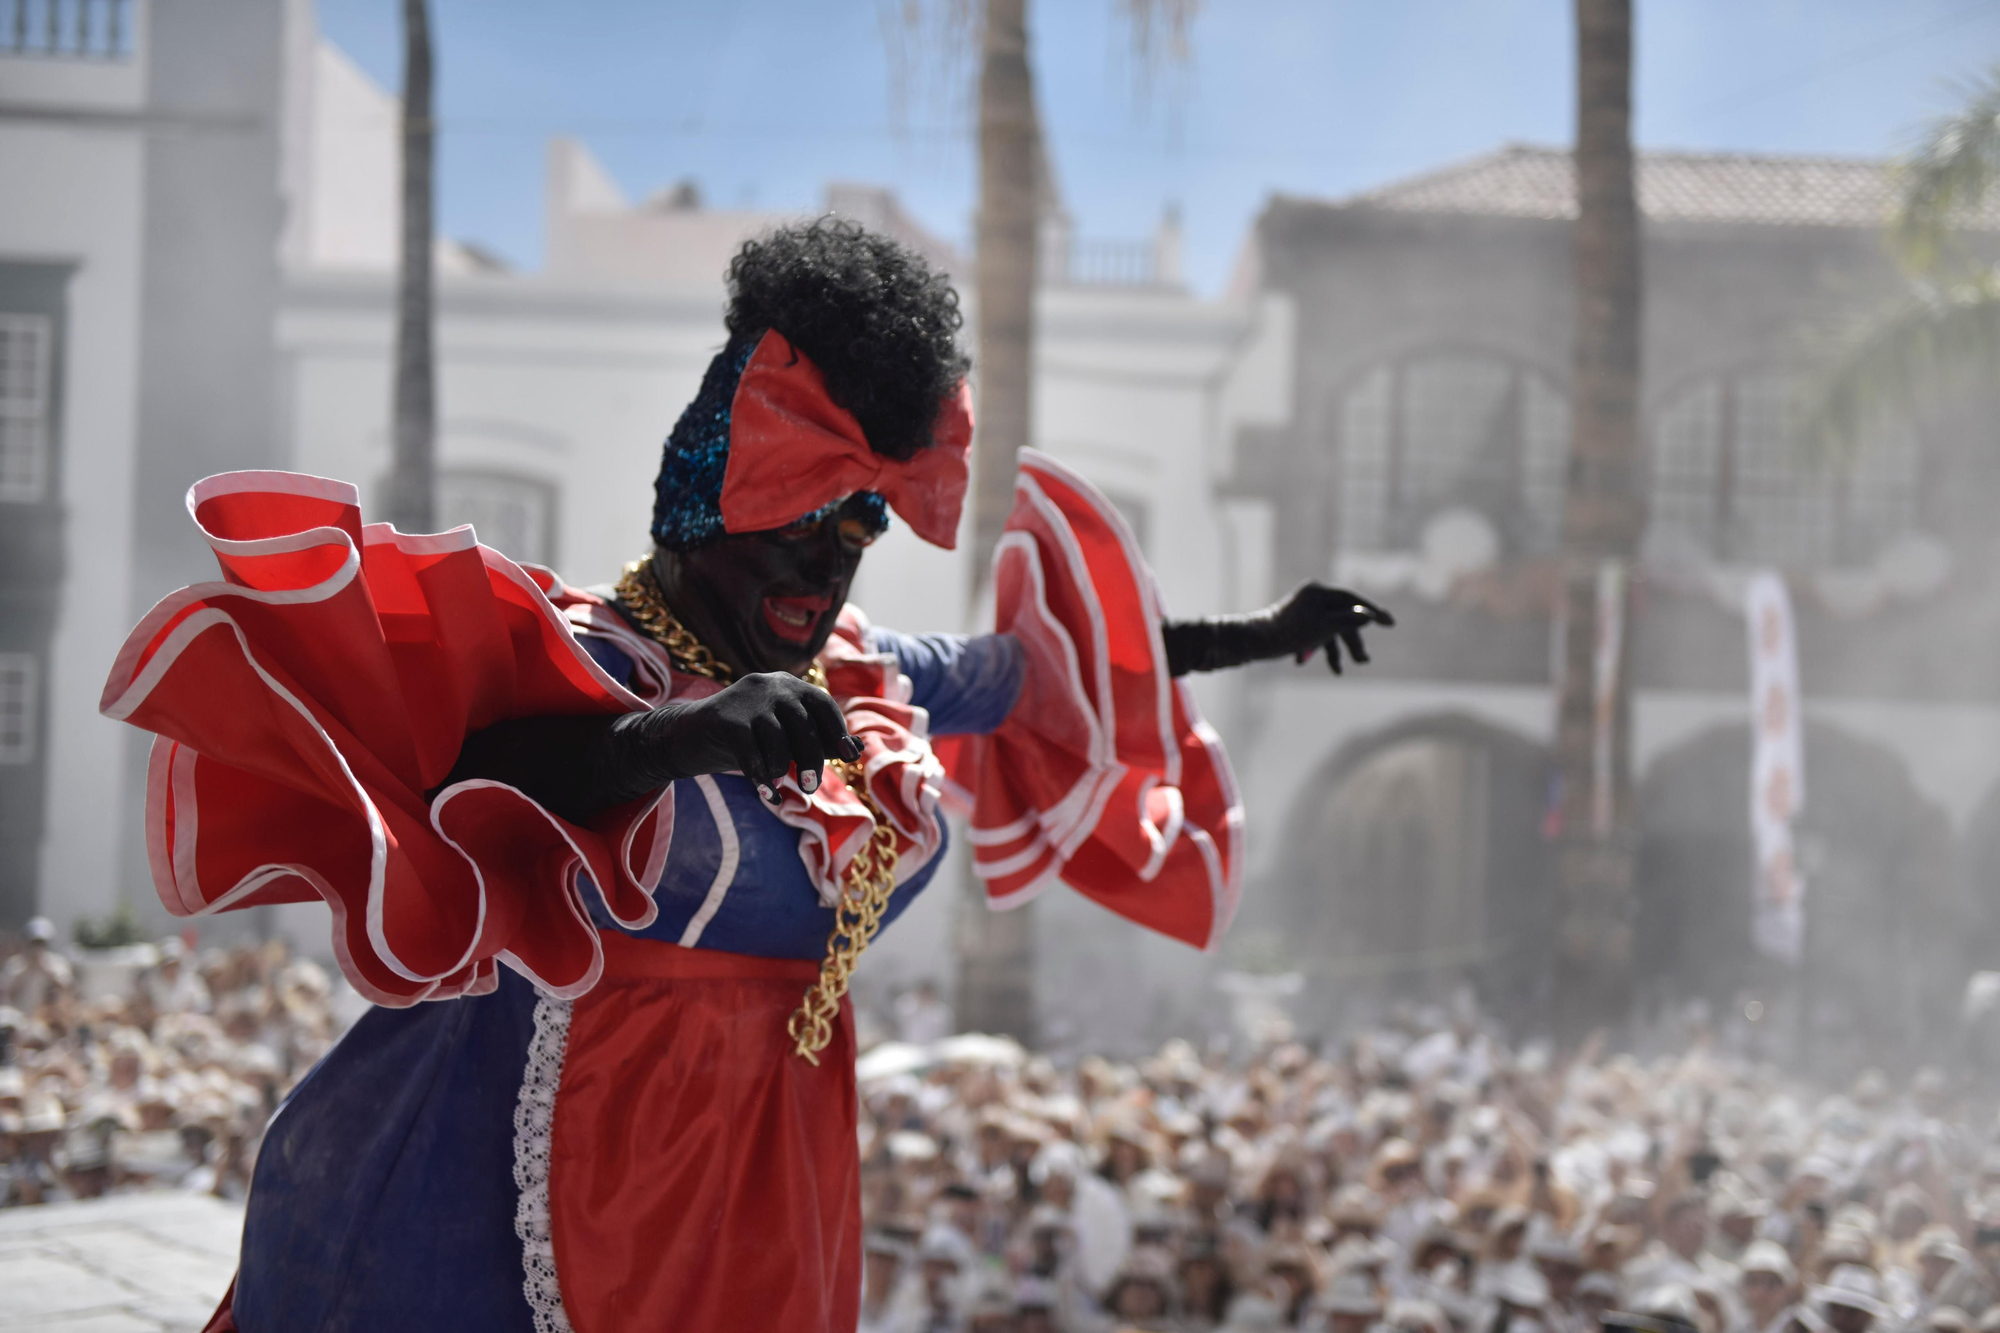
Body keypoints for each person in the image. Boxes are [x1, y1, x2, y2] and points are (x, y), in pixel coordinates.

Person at [97, 219, 1393, 1333]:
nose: (822, 582)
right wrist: (684, 736)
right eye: (796, 532)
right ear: (707, 496)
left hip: (772, 1160)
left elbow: (1042, 666)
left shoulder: (862, 670)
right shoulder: (583, 646)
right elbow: (476, 781)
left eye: (851, 543)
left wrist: (1255, 633)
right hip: (524, 1147)